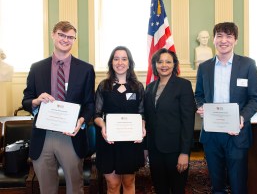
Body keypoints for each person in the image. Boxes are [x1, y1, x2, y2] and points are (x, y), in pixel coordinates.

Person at [22, 21, 95, 194]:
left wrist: (82, 121)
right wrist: (36, 101)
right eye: (62, 35)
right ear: (53, 35)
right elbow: (26, 99)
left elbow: (89, 103)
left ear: (74, 40)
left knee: (75, 188)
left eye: (70, 37)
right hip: (43, 135)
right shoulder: (37, 68)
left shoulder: (86, 69)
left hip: (71, 136)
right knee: (46, 189)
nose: (66, 39)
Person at [194, 22, 257, 194]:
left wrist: (242, 117)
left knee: (238, 184)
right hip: (211, 134)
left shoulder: (248, 65)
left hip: (237, 134)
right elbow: (199, 95)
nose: (224, 40)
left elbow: (255, 99)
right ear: (214, 39)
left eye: (229, 36)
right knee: (217, 186)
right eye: (219, 36)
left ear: (236, 40)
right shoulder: (204, 67)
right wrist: (201, 107)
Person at [94, 46, 146, 193]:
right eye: (116, 59)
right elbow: (96, 115)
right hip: (108, 141)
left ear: (129, 63)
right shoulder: (104, 86)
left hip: (130, 141)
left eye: (124, 59)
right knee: (113, 184)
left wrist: (142, 127)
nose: (120, 62)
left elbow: (141, 113)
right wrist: (103, 126)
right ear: (111, 62)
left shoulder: (137, 87)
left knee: (129, 182)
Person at [144, 48, 196, 193]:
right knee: (160, 188)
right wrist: (146, 148)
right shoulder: (149, 88)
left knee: (177, 189)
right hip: (155, 150)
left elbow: (188, 121)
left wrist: (185, 153)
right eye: (160, 62)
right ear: (155, 65)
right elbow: (148, 121)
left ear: (174, 65)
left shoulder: (183, 85)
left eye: (168, 61)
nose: (164, 65)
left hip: (176, 150)